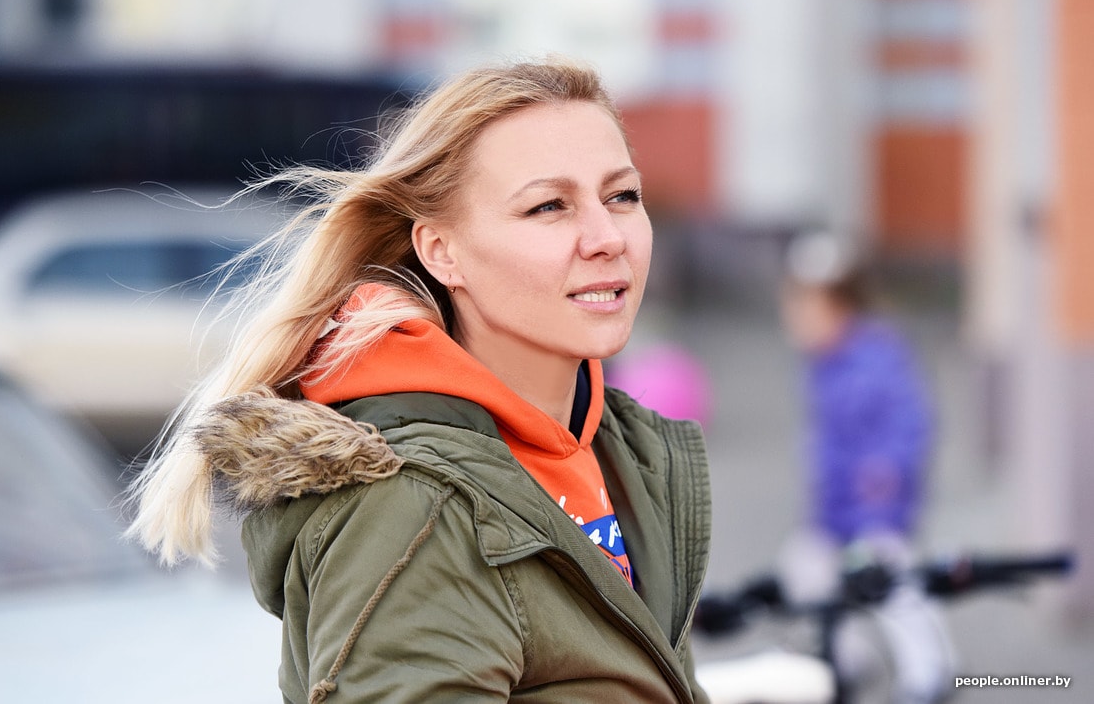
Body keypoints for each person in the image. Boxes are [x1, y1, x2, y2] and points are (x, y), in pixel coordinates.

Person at [126, 58, 712, 704]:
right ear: (441, 251)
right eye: (549, 206)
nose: (606, 238)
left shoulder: (621, 449)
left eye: (622, 196)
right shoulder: (411, 508)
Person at [778, 231, 953, 703]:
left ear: (839, 307)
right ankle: (850, 658)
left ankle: (930, 670)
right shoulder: (822, 364)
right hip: (835, 510)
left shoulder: (878, 356)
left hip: (877, 507)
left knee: (890, 584)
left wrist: (889, 470)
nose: (795, 321)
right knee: (806, 570)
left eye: (804, 310)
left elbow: (911, 420)